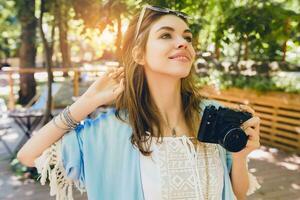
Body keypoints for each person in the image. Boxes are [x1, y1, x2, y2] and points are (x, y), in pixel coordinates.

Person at [17, 5, 261, 200]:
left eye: (187, 37)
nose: (183, 42)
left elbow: (236, 193)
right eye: (166, 35)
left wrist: (240, 154)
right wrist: (86, 103)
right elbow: (29, 155)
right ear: (139, 54)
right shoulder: (109, 131)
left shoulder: (212, 116)